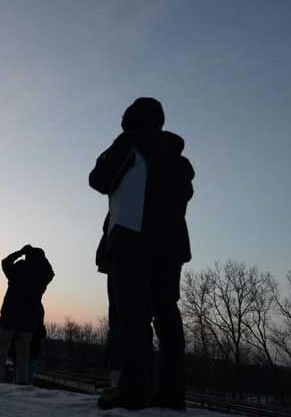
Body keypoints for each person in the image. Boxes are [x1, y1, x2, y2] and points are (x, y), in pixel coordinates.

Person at [89, 97, 194, 410]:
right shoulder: (179, 160)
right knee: (166, 314)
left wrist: (122, 142)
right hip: (171, 245)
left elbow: (99, 179)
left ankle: (133, 389)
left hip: (133, 241)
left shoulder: (130, 144)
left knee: (132, 315)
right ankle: (172, 392)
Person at [0, 245, 54, 385]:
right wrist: (43, 258)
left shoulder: (18, 269)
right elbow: (51, 273)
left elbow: (5, 262)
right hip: (27, 322)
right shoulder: (41, 276)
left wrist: (20, 252)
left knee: (0, 353)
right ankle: (21, 383)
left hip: (9, 317)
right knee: (23, 357)